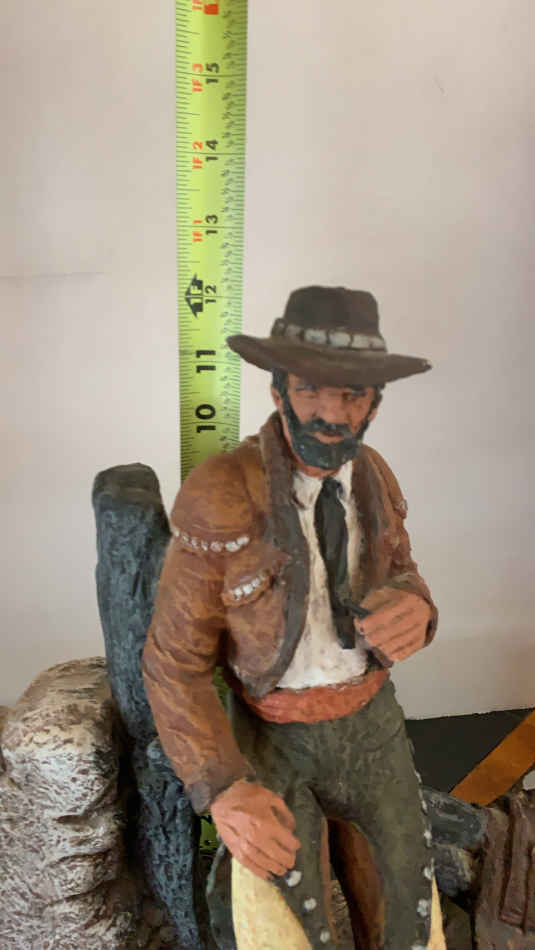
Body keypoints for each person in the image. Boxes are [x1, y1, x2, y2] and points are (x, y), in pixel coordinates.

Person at [142, 286, 446, 949]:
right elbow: (174, 662)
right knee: (286, 918)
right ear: (278, 391)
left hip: (371, 723)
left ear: (374, 403)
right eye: (310, 390)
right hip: (272, 733)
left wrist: (417, 609)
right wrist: (222, 787)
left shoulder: (374, 476)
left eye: (352, 395)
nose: (331, 414)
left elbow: (402, 568)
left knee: (410, 907)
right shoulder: (221, 493)